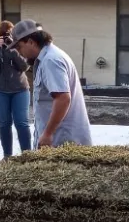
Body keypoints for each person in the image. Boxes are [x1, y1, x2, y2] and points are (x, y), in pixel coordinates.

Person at [9, 19, 91, 148]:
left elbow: (63, 98)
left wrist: (47, 133)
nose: (19, 52)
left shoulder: (51, 61)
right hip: (59, 138)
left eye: (19, 47)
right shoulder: (48, 58)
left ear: (31, 42)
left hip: (62, 140)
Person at [0, 21, 31, 157]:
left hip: (20, 90)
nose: (7, 37)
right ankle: (7, 156)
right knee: (4, 123)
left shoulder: (19, 46)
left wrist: (13, 50)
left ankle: (27, 156)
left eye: (10, 34)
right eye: (4, 34)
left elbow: (25, 66)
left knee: (22, 122)